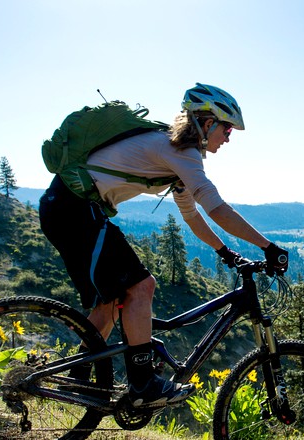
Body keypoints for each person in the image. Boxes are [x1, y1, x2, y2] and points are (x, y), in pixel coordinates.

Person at [39, 83, 289, 408]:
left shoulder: (175, 153)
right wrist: (268, 247)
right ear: (208, 123)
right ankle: (143, 384)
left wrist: (225, 252)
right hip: (73, 210)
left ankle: (79, 380)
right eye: (227, 129)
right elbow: (216, 208)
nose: (229, 138)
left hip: (66, 209)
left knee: (112, 301)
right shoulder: (180, 151)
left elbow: (192, 216)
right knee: (142, 286)